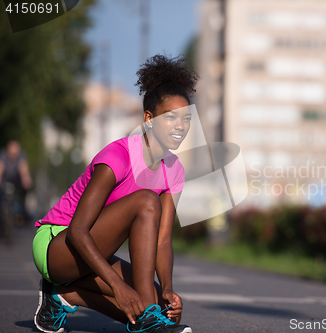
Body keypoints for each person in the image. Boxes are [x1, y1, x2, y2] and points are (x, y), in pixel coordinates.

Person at [32, 55, 197, 333]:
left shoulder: (175, 169)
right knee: (146, 200)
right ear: (148, 119)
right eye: (170, 117)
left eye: (187, 118)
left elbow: (163, 240)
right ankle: (144, 316)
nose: (180, 125)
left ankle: (64, 295)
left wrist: (168, 289)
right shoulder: (118, 157)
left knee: (169, 315)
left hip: (92, 250)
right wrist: (117, 285)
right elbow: (78, 232)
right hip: (57, 246)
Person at [0, 140, 33, 239]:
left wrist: (26, 179)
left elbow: (23, 169)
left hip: (16, 183)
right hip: (5, 182)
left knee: (24, 191)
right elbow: (0, 169)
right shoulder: (3, 156)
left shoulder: (21, 157)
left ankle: (23, 210)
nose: (15, 153)